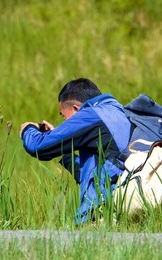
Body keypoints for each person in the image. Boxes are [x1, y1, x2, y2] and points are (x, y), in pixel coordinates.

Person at [20, 78, 131, 224]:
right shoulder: (118, 112)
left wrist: (28, 129)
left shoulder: (89, 116)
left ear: (76, 109)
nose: (66, 123)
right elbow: (93, 173)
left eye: (64, 116)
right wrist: (64, 149)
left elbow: (37, 146)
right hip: (126, 203)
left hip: (103, 212)